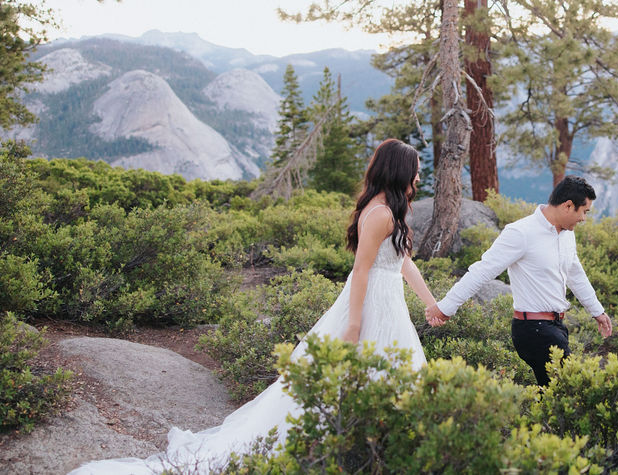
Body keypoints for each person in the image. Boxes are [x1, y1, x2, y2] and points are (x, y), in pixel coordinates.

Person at [70, 138, 437, 474]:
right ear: (401, 171)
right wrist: (354, 325)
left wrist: (430, 302)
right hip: (371, 305)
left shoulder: (391, 209)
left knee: (385, 374)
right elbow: (360, 272)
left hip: (390, 305)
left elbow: (403, 263)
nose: (419, 174)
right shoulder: (382, 214)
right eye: (416, 168)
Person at [426, 175, 612, 386]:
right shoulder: (521, 232)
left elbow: (575, 274)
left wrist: (597, 311)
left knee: (554, 394)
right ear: (568, 206)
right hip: (533, 329)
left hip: (556, 327)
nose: (583, 219)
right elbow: (482, 271)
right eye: (584, 212)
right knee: (566, 391)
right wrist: (446, 307)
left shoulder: (567, 234)